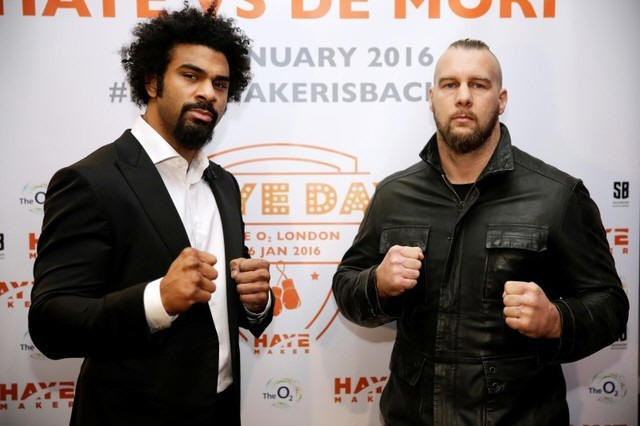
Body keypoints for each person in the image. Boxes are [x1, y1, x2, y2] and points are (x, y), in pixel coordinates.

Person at [332, 39, 628, 425]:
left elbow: (610, 305)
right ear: (432, 98)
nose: (463, 97)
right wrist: (377, 284)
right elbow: (346, 284)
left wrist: (557, 319)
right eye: (450, 84)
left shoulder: (557, 196)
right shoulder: (394, 195)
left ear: (501, 100)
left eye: (478, 84)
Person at [29, 5, 272, 426]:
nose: (209, 93)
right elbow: (51, 323)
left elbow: (223, 300)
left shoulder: (224, 184)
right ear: (152, 81)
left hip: (220, 410)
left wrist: (255, 302)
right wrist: (157, 299)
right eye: (191, 76)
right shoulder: (92, 180)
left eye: (220, 84)